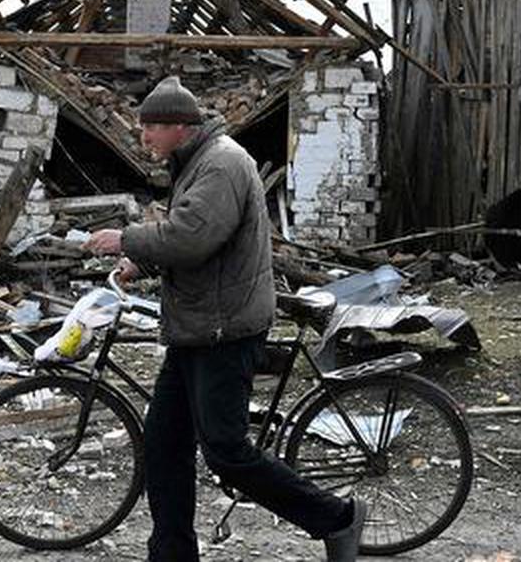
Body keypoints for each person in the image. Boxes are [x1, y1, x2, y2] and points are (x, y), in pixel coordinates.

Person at [83, 76, 366, 562]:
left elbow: (191, 237)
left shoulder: (222, 164)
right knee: (164, 444)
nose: (143, 138)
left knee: (226, 454)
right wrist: (144, 262)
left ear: (178, 126)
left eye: (149, 129)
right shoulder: (196, 161)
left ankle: (337, 518)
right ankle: (172, 553)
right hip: (197, 327)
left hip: (224, 328)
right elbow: (195, 238)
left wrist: (125, 239)